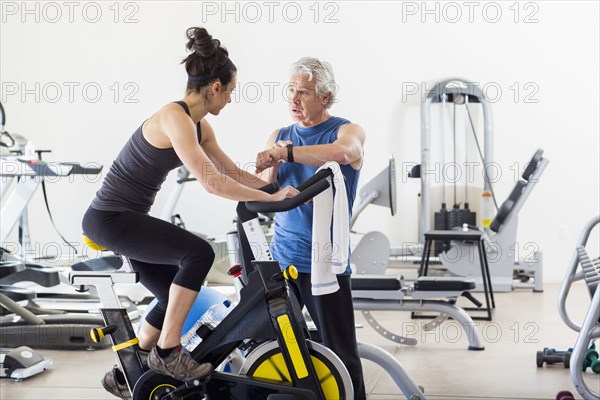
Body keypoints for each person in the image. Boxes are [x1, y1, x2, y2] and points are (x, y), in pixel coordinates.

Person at [82, 27, 298, 399]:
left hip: (128, 218)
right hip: (110, 219)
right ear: (214, 87)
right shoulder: (174, 117)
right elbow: (212, 182)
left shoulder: (201, 126)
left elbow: (230, 171)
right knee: (199, 254)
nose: (230, 99)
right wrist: (274, 201)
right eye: (229, 91)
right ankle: (167, 352)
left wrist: (277, 191)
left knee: (172, 296)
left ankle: (127, 373)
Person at [255, 57, 366, 399]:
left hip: (325, 262)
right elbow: (264, 188)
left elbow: (346, 153)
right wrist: (267, 172)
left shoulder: (346, 131)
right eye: (291, 90)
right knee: (271, 342)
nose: (294, 98)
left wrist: (286, 154)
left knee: (340, 350)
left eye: (302, 91)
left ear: (326, 97)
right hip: (282, 256)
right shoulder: (279, 135)